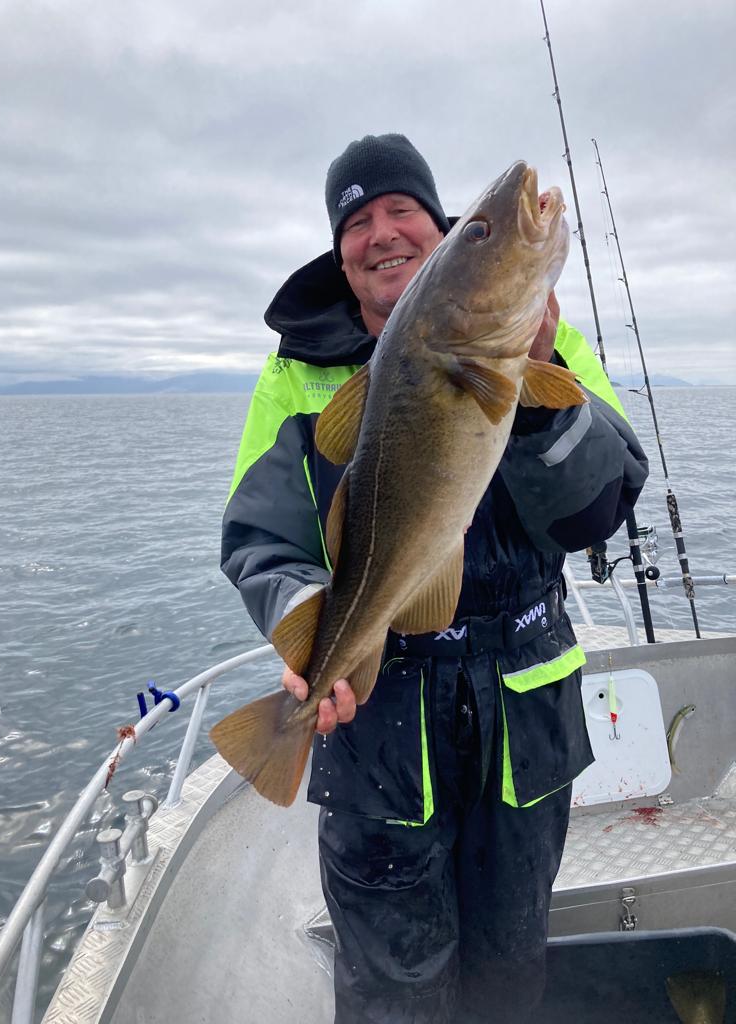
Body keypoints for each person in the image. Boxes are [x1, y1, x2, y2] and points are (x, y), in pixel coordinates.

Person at [220, 134, 648, 1023]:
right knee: (392, 987)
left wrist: (536, 375)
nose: (381, 233)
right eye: (357, 222)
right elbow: (261, 538)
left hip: (522, 717)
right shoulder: (297, 373)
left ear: (440, 229)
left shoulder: (547, 339)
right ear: (340, 250)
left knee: (508, 968)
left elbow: (599, 510)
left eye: (404, 211)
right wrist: (311, 625)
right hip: (377, 730)